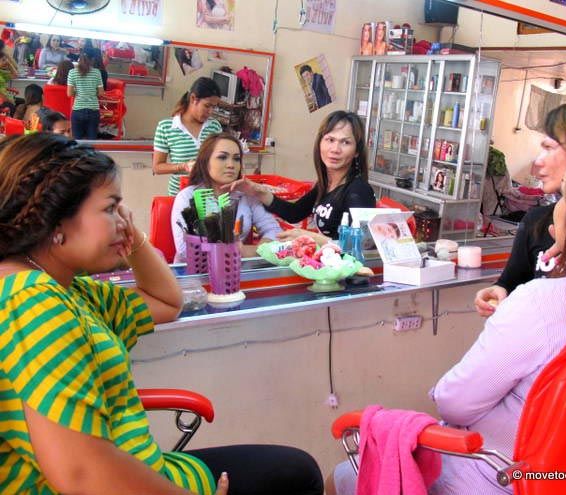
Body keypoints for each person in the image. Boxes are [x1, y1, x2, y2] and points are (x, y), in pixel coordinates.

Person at [328, 133, 566, 495]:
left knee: (342, 475)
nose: (557, 207)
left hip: (499, 476)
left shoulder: (545, 304)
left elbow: (454, 403)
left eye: (565, 196)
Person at [0, 132, 325, 495]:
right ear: (55, 220)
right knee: (299, 476)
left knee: (296, 468)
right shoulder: (32, 301)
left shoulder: (67, 288)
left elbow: (168, 304)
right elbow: (81, 474)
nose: (123, 220)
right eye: (110, 209)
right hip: (119, 480)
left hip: (144, 466)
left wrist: (134, 238)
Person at [474, 100, 566, 317]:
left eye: (549, 148)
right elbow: (510, 283)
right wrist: (498, 291)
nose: (538, 161)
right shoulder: (537, 221)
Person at [224, 110, 376, 244]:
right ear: (320, 143)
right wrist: (258, 191)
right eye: (330, 140)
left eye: (345, 142)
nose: (335, 149)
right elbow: (295, 213)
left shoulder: (359, 191)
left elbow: (357, 248)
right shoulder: (326, 184)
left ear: (357, 151)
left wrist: (309, 237)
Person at [171, 133, 282, 260]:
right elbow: (184, 250)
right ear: (205, 162)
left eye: (236, 159)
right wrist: (225, 250)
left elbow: (275, 232)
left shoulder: (246, 196)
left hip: (234, 269)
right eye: (222, 157)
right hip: (195, 272)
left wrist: (248, 250)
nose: (231, 165)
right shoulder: (187, 196)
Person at [153, 76, 223, 196]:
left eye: (214, 107)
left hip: (209, 196)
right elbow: (157, 167)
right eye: (207, 106)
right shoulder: (166, 127)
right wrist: (183, 166)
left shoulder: (214, 126)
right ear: (193, 99)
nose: (211, 111)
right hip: (179, 195)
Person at [67, 51, 104, 139]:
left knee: (77, 141)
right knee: (92, 141)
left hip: (78, 110)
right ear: (92, 60)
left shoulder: (72, 72)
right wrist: (91, 92)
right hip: (93, 110)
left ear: (79, 59)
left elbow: (69, 93)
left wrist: (78, 92)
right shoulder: (97, 72)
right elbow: (101, 92)